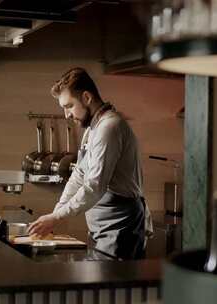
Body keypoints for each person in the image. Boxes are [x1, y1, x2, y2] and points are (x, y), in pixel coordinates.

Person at [28, 67, 150, 260]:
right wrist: (55, 215)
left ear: (86, 97)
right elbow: (79, 175)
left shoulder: (110, 127)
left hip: (120, 226)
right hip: (101, 227)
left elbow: (95, 186)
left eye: (69, 106)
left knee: (112, 287)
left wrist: (56, 218)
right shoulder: (92, 129)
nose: (66, 114)